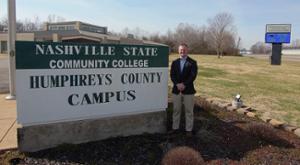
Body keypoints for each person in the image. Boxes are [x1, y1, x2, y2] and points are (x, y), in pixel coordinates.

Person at [170, 43, 198, 136]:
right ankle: (175, 128)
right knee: (176, 110)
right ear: (178, 51)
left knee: (189, 111)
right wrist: (177, 84)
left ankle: (188, 130)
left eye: (184, 50)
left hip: (188, 90)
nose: (182, 51)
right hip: (176, 90)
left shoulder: (193, 62)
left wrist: (184, 84)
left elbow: (193, 76)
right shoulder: (174, 62)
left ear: (187, 50)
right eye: (181, 50)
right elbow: (172, 75)